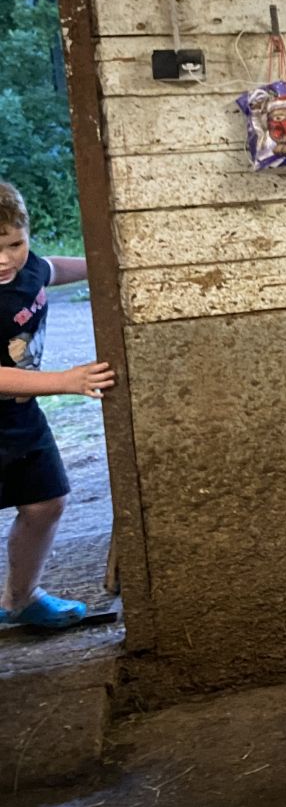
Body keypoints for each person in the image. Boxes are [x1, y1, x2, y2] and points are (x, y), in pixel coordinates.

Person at [0, 180, 113, 629]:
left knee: (46, 503)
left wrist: (100, 266)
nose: (5, 259)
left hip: (20, 415)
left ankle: (21, 600)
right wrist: (64, 381)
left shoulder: (27, 270)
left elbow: (52, 270)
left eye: (14, 243)